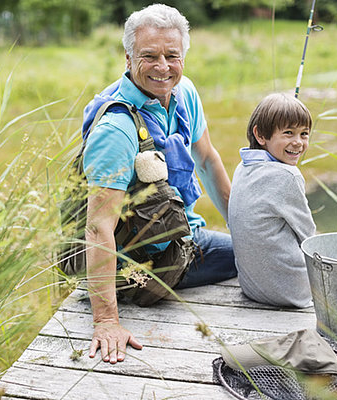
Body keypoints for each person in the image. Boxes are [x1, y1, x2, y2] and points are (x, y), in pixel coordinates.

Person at [82, 3, 237, 365]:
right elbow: (97, 226)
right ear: (128, 58)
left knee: (258, 250)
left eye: (172, 55)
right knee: (264, 262)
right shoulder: (116, 128)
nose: (163, 67)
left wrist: (241, 228)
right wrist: (106, 321)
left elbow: (208, 159)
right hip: (143, 263)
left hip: (182, 236)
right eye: (149, 56)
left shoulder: (185, 94)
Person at [227, 93, 316, 308]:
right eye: (288, 133)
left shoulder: (242, 167)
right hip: (293, 292)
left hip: (252, 287)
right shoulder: (288, 177)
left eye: (304, 134)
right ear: (260, 134)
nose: (298, 142)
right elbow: (309, 237)